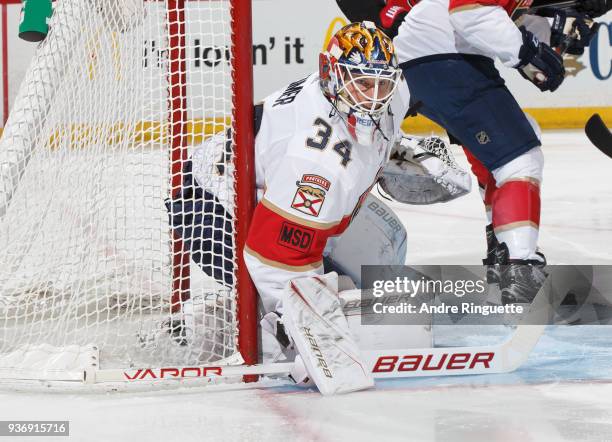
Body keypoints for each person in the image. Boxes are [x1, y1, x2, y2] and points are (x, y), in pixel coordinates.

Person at [167, 21, 471, 394]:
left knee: (386, 246)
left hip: (267, 188)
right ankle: (210, 329)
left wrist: (398, 150)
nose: (373, 97)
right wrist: (310, 335)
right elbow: (275, 256)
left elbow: (382, 114)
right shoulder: (315, 161)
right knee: (321, 303)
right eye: (361, 83)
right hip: (210, 207)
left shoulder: (386, 93)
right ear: (330, 72)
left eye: (381, 84)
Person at [335, 0, 610, 305]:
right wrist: (526, 53)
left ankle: (503, 253)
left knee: (510, 147)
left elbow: (506, 16)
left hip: (435, 56)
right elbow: (470, 10)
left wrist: (553, 33)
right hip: (442, 57)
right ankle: (521, 271)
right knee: (519, 160)